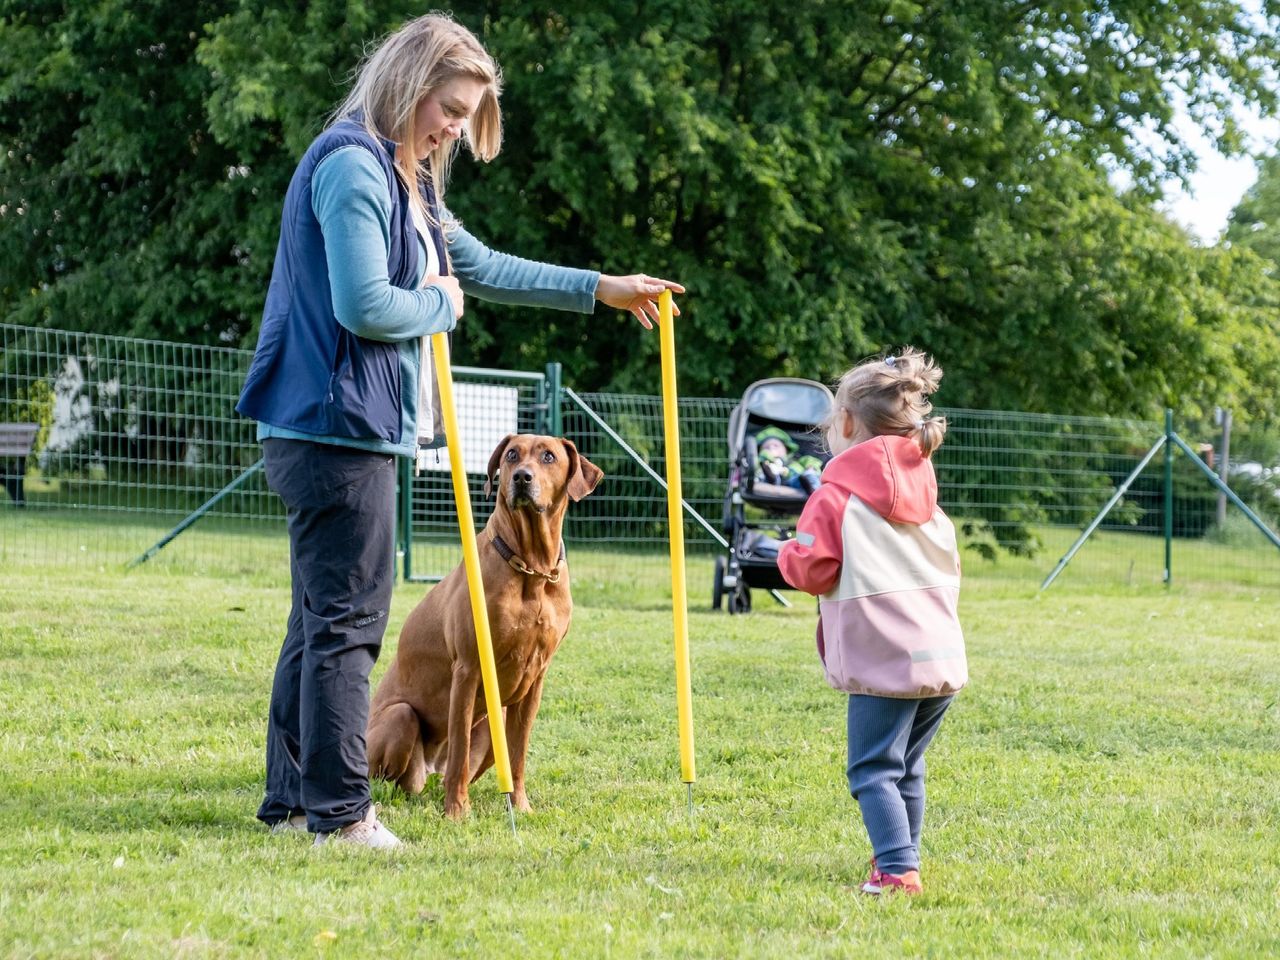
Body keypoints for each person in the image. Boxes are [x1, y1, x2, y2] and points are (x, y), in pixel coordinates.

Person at [235, 12, 684, 849]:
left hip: (348, 426)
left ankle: (292, 798)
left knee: (316, 620)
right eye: (448, 106)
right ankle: (338, 815)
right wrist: (440, 304)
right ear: (407, 85)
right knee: (346, 623)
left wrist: (601, 287)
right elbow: (366, 305)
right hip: (333, 428)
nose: (452, 127)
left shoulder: (411, 181)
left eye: (466, 114)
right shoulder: (352, 169)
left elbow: (482, 266)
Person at [776, 348, 966, 895]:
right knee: (907, 765)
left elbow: (811, 569)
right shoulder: (927, 495)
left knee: (872, 770)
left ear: (848, 424)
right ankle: (903, 856)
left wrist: (787, 553)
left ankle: (896, 869)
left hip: (883, 656)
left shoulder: (835, 497)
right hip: (940, 655)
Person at [753, 425, 822, 494]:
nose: (771, 448)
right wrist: (767, 457)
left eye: (776, 445)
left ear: (786, 449)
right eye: (767, 447)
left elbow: (810, 460)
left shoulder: (796, 461)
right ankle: (771, 479)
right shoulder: (764, 463)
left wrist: (810, 467)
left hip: (797, 480)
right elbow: (756, 464)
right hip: (775, 482)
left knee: (809, 475)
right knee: (764, 476)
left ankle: (813, 488)